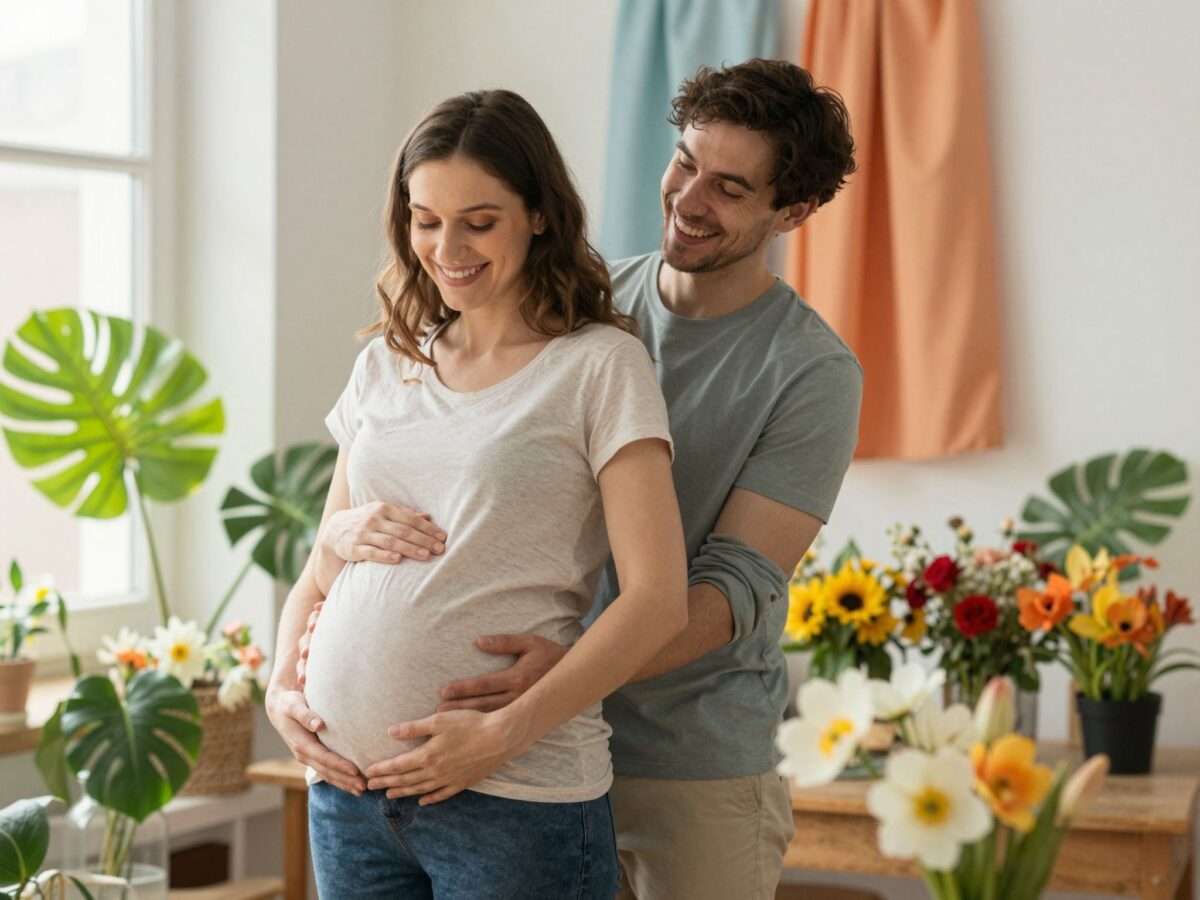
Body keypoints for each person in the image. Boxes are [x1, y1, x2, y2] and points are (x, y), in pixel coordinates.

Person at [295, 58, 862, 900]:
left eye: (730, 189)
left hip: (684, 753)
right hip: (500, 746)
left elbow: (734, 582)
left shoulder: (809, 369)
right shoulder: (583, 306)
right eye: (685, 163)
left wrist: (556, 682)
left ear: (796, 210)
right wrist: (336, 543)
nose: (689, 199)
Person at [265, 89, 689, 899]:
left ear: (538, 214)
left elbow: (657, 599)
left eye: (479, 221)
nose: (447, 246)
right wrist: (282, 685)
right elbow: (320, 571)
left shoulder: (599, 366)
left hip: (513, 802)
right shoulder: (388, 362)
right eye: (425, 219)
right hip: (349, 799)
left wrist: (498, 737)